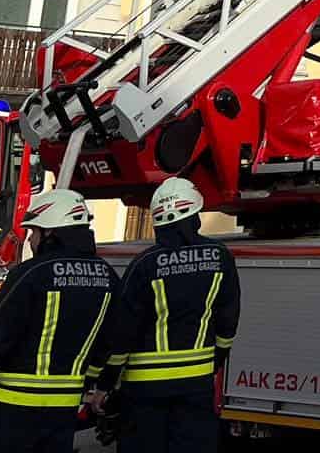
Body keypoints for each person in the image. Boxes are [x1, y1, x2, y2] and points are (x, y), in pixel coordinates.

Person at [0, 187, 117, 453]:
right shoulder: (108, 277)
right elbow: (109, 343)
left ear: (51, 232)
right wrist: (88, 384)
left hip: (9, 410)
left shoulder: (31, 274)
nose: (31, 241)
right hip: (63, 412)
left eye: (34, 232)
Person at [98, 177, 239, 453]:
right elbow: (228, 322)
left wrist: (105, 384)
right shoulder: (221, 256)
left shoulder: (144, 264)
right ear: (195, 215)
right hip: (196, 385)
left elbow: (122, 333)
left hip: (145, 390)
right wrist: (215, 362)